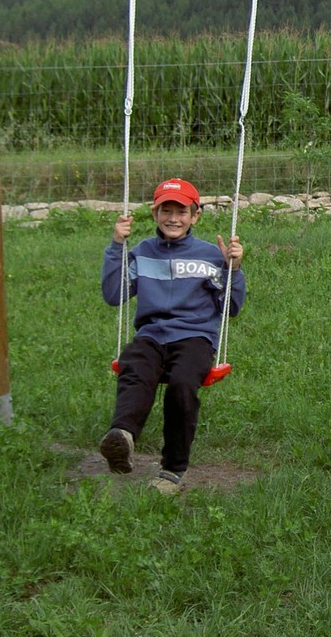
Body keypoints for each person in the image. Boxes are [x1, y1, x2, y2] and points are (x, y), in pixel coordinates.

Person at [99, 177, 245, 494]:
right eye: (166, 210)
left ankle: (171, 471)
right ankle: (121, 436)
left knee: (182, 383)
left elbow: (230, 308)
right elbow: (113, 294)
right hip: (151, 335)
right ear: (155, 214)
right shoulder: (142, 252)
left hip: (195, 338)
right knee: (133, 365)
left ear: (195, 216)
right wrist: (116, 247)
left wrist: (232, 269)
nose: (173, 218)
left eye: (181, 211)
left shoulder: (209, 256)